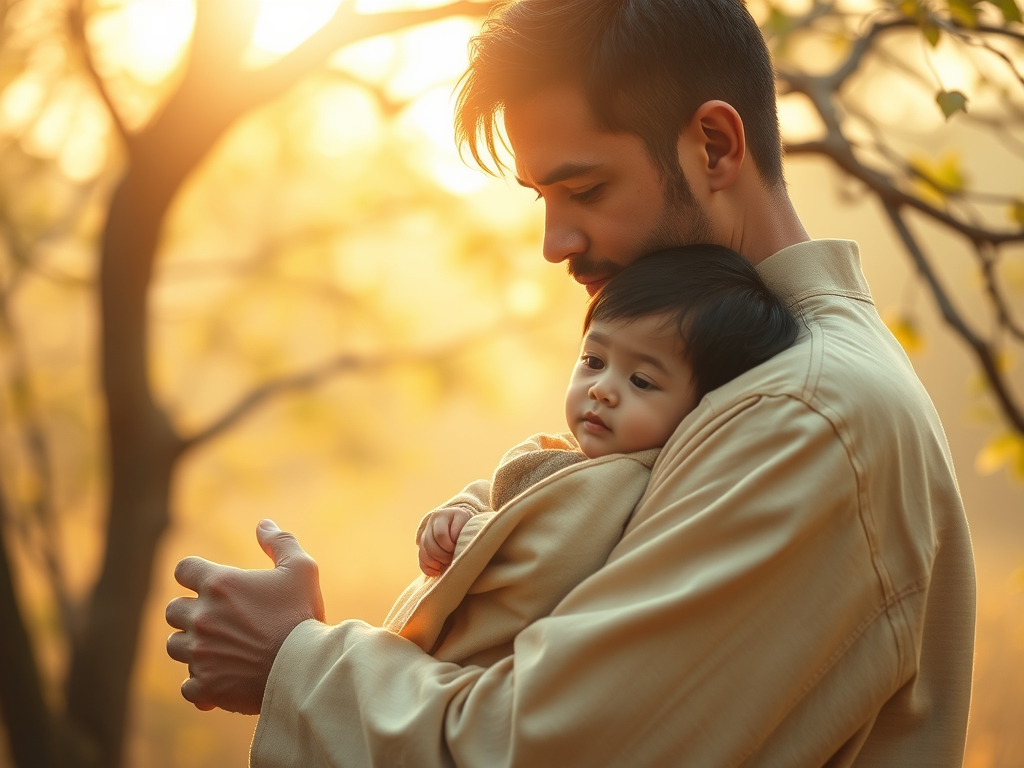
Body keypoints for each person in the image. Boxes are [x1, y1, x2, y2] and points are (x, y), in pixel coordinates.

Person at [165, 0, 976, 765]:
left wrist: (293, 662)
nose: (556, 241)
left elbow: (549, 749)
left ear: (717, 148)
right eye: (542, 197)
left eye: (585, 189)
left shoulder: (805, 415)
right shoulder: (754, 382)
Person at [395, 247, 797, 668]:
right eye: (593, 360)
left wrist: (470, 533)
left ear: (702, 408)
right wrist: (462, 509)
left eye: (641, 380)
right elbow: (504, 497)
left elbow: (543, 558)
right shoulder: (565, 452)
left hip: (476, 672)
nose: (602, 388)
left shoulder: (629, 488)